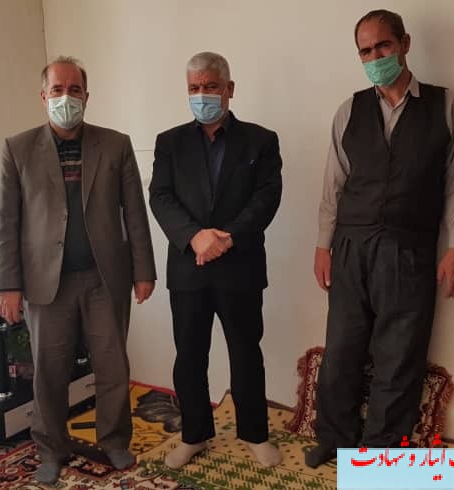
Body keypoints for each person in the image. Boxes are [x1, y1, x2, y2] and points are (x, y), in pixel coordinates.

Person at [306, 9, 454, 468]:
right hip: (350, 247)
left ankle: (381, 452)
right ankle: (334, 438)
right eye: (365, 51)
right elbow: (333, 185)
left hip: (409, 248)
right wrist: (322, 245)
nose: (375, 57)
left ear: (404, 44)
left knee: (399, 355)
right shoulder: (349, 110)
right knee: (342, 348)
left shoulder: (445, 106)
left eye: (383, 46)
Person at [0, 56, 156, 481]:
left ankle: (115, 440)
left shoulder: (115, 145)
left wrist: (144, 270)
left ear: (87, 95)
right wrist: (7, 284)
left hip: (105, 278)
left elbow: (134, 213)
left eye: (75, 90)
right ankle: (51, 448)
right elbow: (6, 222)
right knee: (49, 372)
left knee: (112, 366)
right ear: (43, 96)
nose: (66, 97)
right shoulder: (17, 148)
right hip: (46, 283)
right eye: (58, 90)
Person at [148, 51, 283, 469]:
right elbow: (160, 197)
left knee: (246, 354)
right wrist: (195, 237)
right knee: (189, 356)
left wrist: (227, 237)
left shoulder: (261, 140)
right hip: (188, 268)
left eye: (210, 86)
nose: (202, 94)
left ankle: (255, 434)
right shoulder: (169, 142)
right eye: (194, 87)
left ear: (229, 89)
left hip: (240, 266)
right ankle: (195, 435)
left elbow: (267, 197)